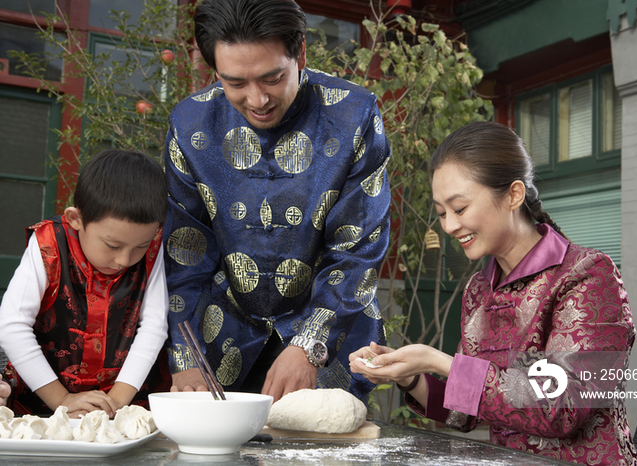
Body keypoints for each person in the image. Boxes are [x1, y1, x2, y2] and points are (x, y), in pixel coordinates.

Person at [349, 121, 637, 465]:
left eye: (459, 209)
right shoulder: (479, 290)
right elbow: (467, 410)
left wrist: (440, 361)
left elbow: (561, 407)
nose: (449, 226)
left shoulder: (586, 275)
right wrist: (411, 377)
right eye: (442, 213)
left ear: (514, 195)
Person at [163, 0, 390, 402]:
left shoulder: (355, 116)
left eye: (272, 78)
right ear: (215, 71)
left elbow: (358, 250)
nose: (257, 99)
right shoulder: (189, 125)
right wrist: (184, 356)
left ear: (300, 53)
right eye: (235, 83)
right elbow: (185, 255)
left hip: (330, 336)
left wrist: (309, 343)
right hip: (220, 335)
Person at [0, 150, 171, 418]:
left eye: (140, 245)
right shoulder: (49, 244)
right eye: (113, 245)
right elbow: (12, 324)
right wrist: (62, 399)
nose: (124, 259)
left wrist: (115, 403)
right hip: (41, 402)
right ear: (75, 219)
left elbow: (154, 326)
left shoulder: (153, 247)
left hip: (123, 402)